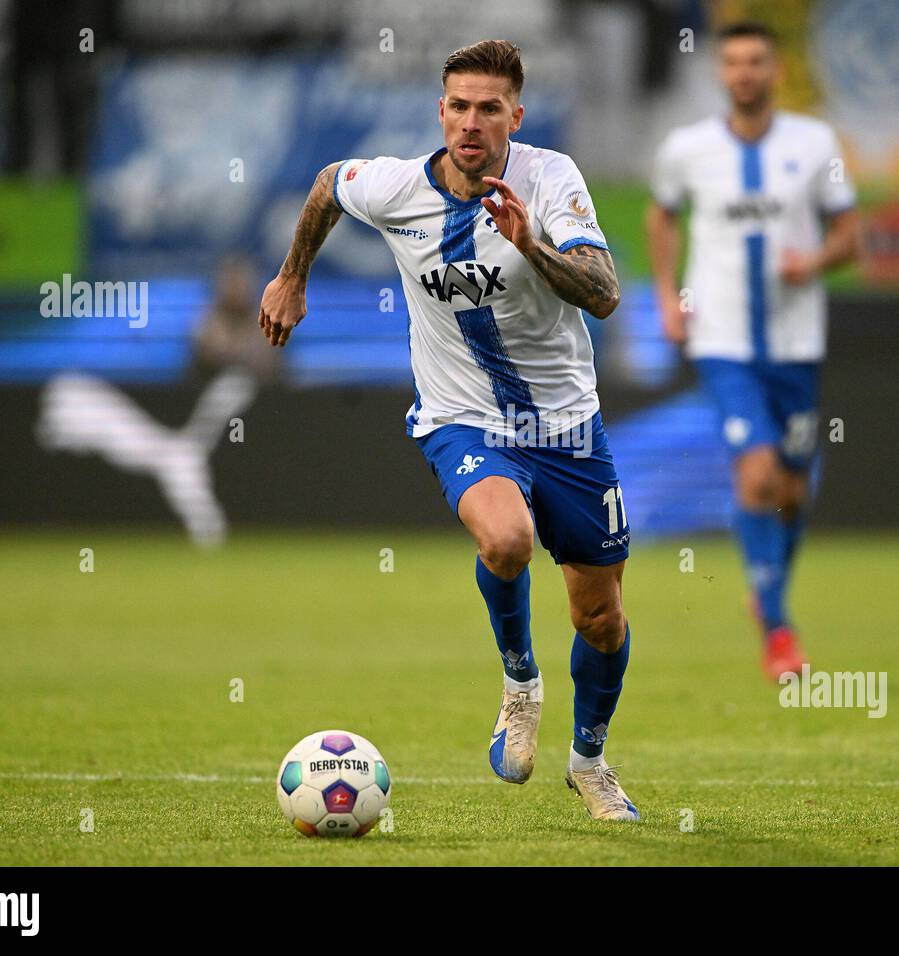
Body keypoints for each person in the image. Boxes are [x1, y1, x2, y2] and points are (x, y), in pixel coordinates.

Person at [257, 40, 640, 821]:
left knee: (600, 619)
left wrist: (531, 240)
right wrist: (292, 275)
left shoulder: (550, 178)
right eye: (458, 107)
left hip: (567, 427)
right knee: (505, 541)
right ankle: (520, 686)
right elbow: (331, 184)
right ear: (441, 111)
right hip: (461, 416)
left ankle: (590, 763)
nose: (471, 123)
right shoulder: (397, 187)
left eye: (489, 109)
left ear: (515, 117)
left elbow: (603, 293)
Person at [646, 22, 860, 682]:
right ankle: (778, 631)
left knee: (793, 488)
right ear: (720, 72)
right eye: (733, 61)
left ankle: (765, 589)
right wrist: (666, 296)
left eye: (756, 61)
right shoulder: (687, 148)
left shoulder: (815, 142)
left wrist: (817, 259)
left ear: (775, 70)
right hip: (723, 339)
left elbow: (851, 234)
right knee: (760, 475)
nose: (744, 72)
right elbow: (662, 216)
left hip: (797, 343)